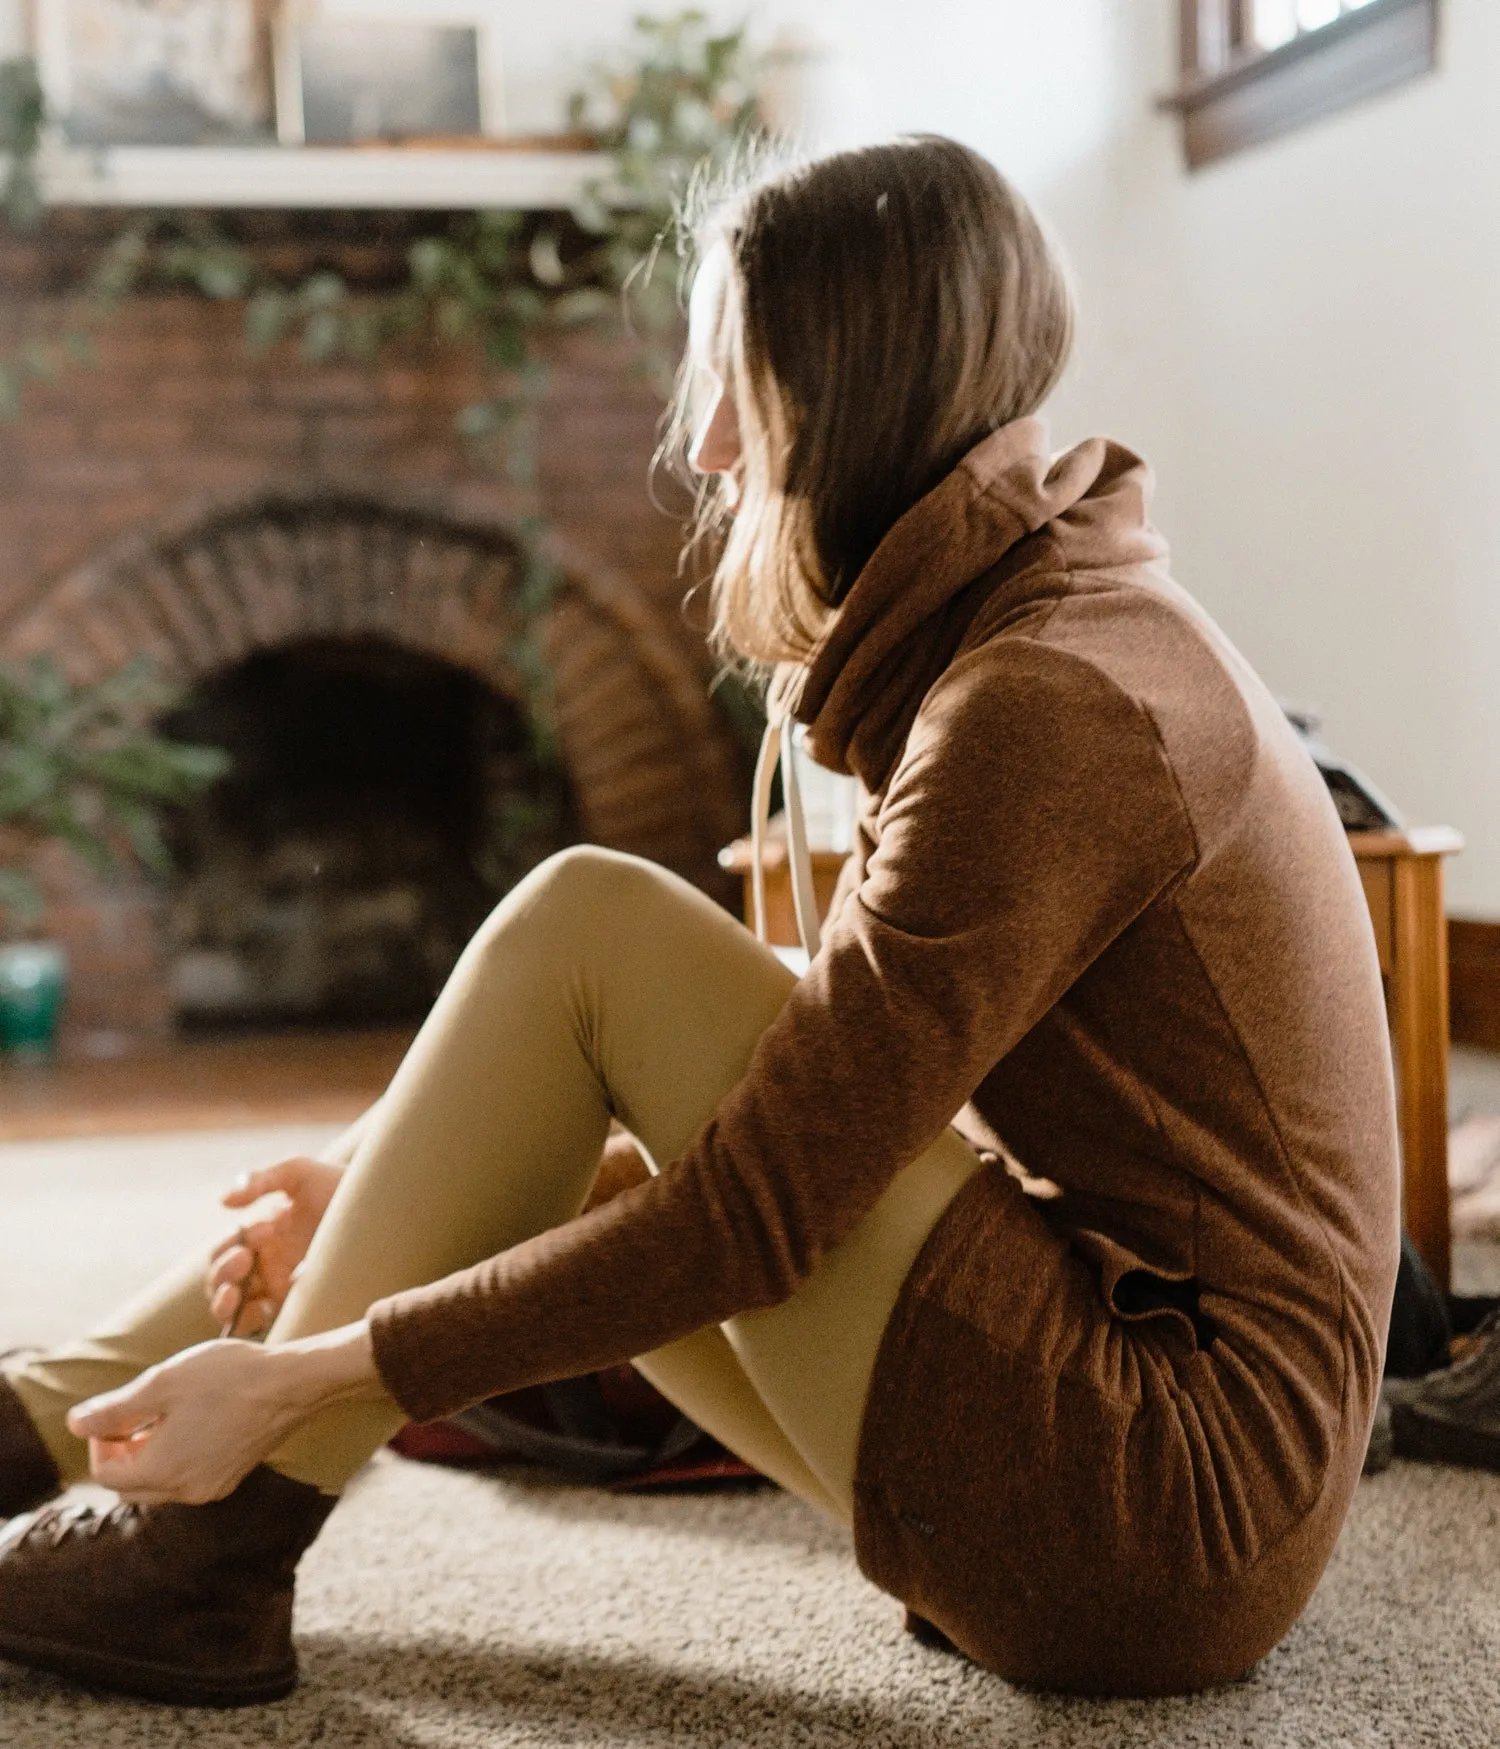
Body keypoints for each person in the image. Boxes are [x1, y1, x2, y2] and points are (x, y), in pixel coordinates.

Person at [0, 135, 1399, 1707]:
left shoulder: (1047, 706)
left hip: (1162, 1513)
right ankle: (29, 1428)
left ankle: (210, 1557)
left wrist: (310, 1379)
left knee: (594, 927)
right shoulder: (1050, 623)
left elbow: (765, 1209)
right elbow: (830, 1079)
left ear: (858, 385)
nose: (716, 445)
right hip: (1169, 1473)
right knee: (577, 1119)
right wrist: (387, 1188)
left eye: (748, 378)